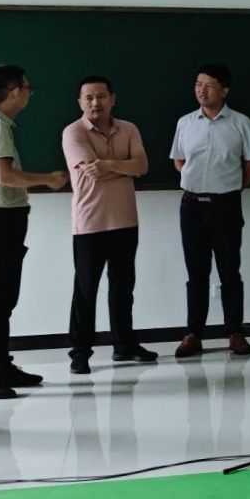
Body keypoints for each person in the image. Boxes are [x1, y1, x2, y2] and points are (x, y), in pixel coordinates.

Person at [0, 65, 67, 399]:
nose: (29, 93)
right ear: (13, 91)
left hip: (3, 220)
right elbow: (4, 175)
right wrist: (48, 179)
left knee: (3, 299)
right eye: (27, 87)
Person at [62, 76, 158, 374]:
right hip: (90, 222)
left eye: (101, 96)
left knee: (123, 287)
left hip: (126, 220)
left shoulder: (129, 129)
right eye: (89, 97)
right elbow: (94, 173)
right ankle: (80, 353)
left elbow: (142, 165)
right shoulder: (73, 132)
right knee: (85, 290)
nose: (95, 102)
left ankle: (124, 345)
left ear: (112, 99)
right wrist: (123, 167)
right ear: (80, 102)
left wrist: (107, 164)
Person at [170, 63, 250, 358]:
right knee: (196, 273)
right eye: (198, 84)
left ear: (224, 90)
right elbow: (179, 161)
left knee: (229, 271)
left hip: (226, 206)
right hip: (192, 205)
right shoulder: (185, 122)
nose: (202, 90)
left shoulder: (240, 122)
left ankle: (235, 332)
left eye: (209, 85)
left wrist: (230, 189)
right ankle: (193, 334)